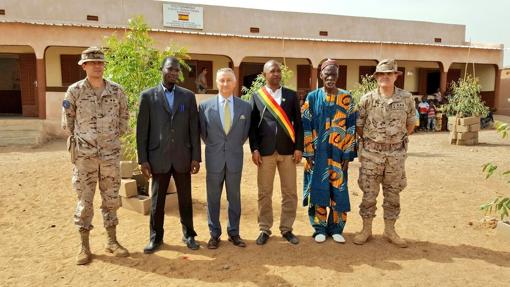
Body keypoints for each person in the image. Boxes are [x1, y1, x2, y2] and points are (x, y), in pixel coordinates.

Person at [62, 47, 130, 265]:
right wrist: (87, 141)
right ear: (84, 66)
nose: (97, 66)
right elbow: (68, 122)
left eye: (100, 63)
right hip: (85, 157)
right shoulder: (74, 92)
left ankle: (112, 241)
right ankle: (84, 246)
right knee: (85, 201)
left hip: (110, 155)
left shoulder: (117, 91)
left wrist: (108, 140)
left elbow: (124, 119)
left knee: (111, 199)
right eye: (92, 63)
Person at [137, 57, 201, 253]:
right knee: (157, 202)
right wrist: (143, 159)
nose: (174, 73)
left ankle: (189, 234)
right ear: (162, 70)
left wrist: (196, 157)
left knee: (185, 199)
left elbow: (194, 128)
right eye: (170, 69)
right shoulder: (148, 96)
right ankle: (155, 238)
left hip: (182, 156)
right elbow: (142, 131)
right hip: (159, 158)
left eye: (177, 70)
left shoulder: (188, 97)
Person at [353, 59, 416, 248]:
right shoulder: (367, 99)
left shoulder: (406, 98)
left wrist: (392, 141)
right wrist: (376, 142)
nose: (385, 77)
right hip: (372, 154)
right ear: (376, 77)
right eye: (381, 74)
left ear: (396, 75)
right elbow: (359, 126)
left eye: (389, 73)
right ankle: (366, 230)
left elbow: (411, 124)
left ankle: (390, 230)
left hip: (396, 155)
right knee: (369, 194)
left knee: (393, 194)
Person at [301, 59, 357, 243]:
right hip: (317, 156)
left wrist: (348, 154)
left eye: (334, 74)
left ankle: (336, 228)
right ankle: (319, 228)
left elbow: (351, 128)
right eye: (327, 74)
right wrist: (308, 153)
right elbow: (306, 126)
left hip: (338, 155)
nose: (331, 78)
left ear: (338, 76)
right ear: (321, 75)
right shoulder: (312, 97)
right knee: (318, 189)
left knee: (338, 189)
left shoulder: (347, 98)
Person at [249, 60, 304, 245]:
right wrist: (254, 148)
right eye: (272, 71)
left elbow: (299, 124)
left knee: (290, 192)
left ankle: (287, 228)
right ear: (264, 74)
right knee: (264, 192)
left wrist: (299, 148)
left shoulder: (291, 95)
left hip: (288, 152)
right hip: (265, 152)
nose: (277, 74)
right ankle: (264, 229)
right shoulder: (257, 96)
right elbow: (252, 127)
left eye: (279, 71)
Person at [198, 68, 252, 249]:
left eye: (229, 80)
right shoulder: (205, 107)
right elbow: (204, 134)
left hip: (235, 159)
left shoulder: (245, 107)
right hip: (214, 159)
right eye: (221, 80)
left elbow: (244, 134)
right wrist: (216, 146)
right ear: (216, 82)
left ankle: (234, 233)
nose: (225, 84)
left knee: (234, 197)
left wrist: (232, 146)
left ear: (235, 83)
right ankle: (214, 234)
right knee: (213, 198)